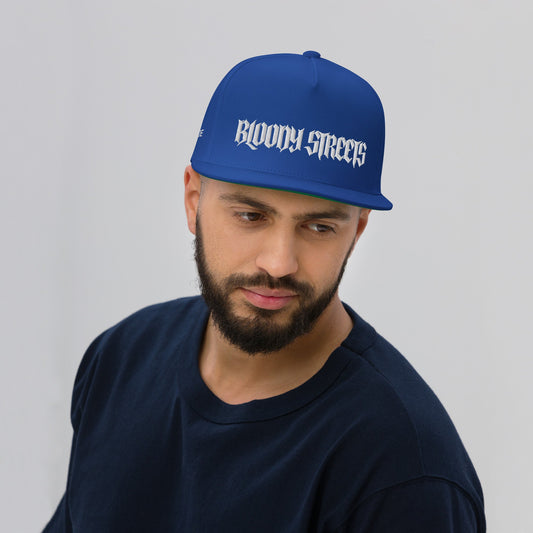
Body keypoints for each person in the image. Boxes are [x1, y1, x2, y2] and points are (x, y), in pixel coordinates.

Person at [43, 51, 485, 532]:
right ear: (193, 201)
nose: (279, 263)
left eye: (318, 227)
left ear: (356, 231)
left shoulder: (404, 472)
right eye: (251, 216)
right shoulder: (121, 361)